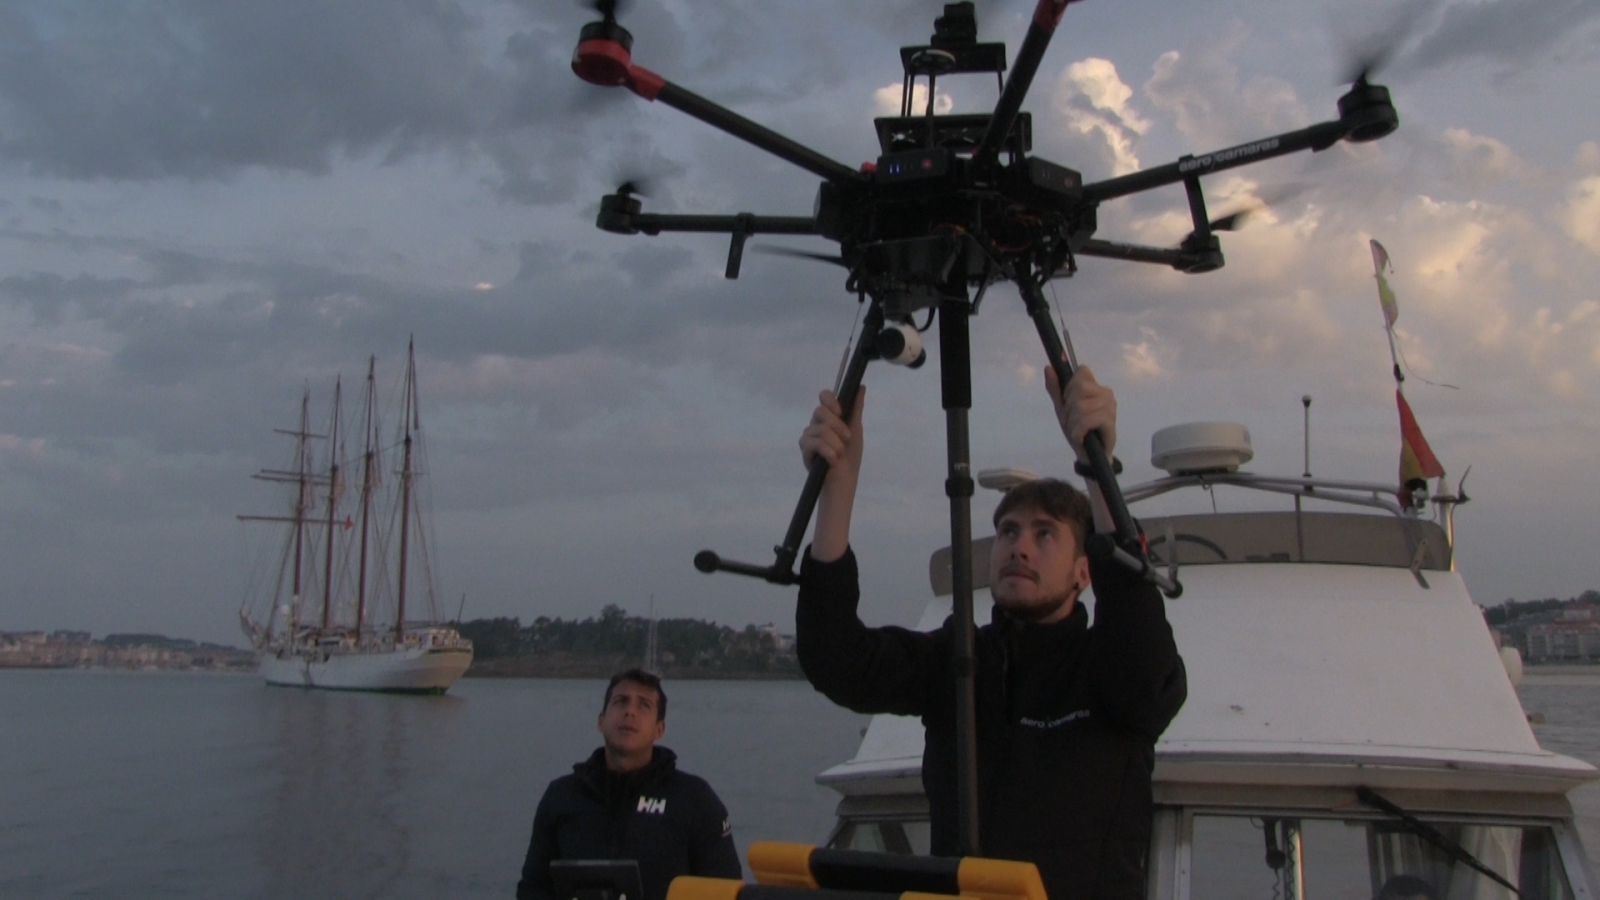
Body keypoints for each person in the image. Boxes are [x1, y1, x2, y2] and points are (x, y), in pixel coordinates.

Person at [794, 364, 1187, 900]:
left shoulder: (1110, 671)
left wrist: (1097, 466)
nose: (1019, 547)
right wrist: (836, 489)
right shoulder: (960, 660)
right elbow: (836, 660)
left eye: (1045, 534)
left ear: (1084, 571)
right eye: (1008, 531)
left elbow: (1147, 672)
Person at [516, 668, 741, 900]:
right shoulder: (561, 796)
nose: (630, 712)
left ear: (659, 729)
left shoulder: (695, 800)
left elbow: (727, 891)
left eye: (644, 705)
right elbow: (533, 888)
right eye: (620, 701)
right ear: (601, 721)